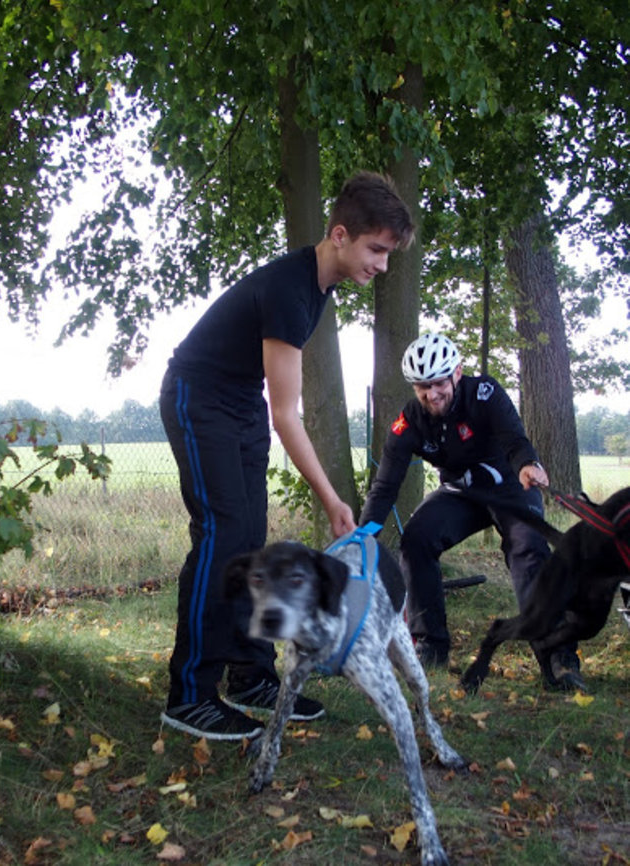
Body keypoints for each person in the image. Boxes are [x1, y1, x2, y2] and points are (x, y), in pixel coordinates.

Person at [159, 172, 414, 740]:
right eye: (376, 249)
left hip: (239, 402)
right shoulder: (290, 290)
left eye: (389, 253)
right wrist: (332, 498)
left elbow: (271, 403)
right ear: (340, 234)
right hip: (198, 397)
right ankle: (189, 692)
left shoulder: (316, 288)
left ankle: (249, 673)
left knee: (251, 536)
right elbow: (287, 415)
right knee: (222, 533)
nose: (382, 265)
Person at [359, 332, 584, 690]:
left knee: (527, 548)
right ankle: (430, 645)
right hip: (459, 493)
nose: (432, 394)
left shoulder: (485, 393)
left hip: (510, 486)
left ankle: (559, 657)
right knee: (416, 540)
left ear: (457, 373)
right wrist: (362, 535)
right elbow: (385, 487)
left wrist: (527, 464)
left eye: (437, 383)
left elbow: (515, 440)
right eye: (422, 387)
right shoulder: (408, 422)